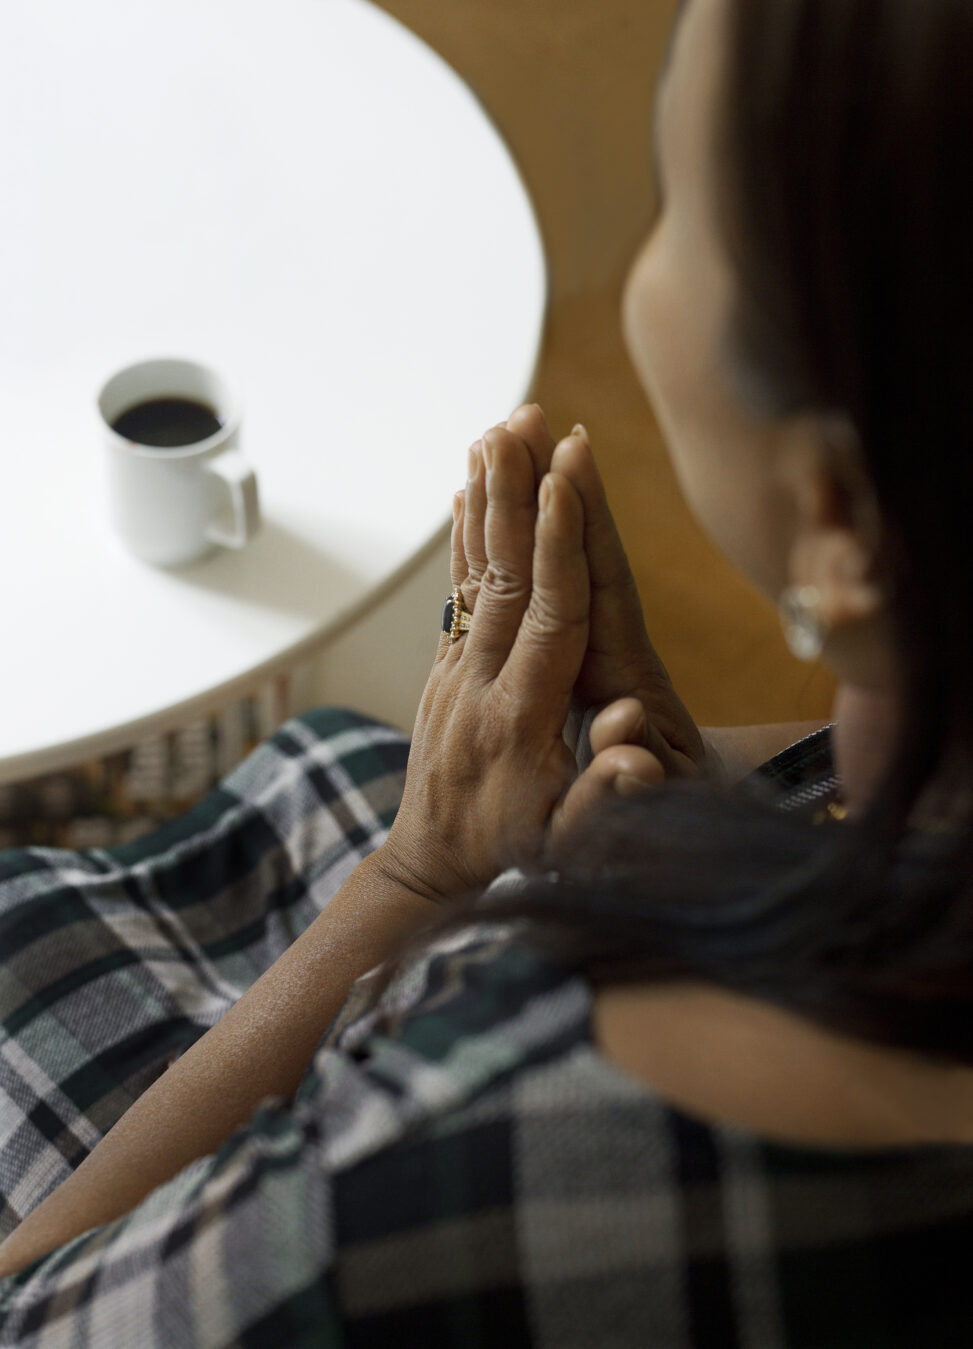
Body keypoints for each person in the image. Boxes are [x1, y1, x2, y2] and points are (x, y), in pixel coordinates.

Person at [1, 0, 972, 1342]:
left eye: (674, 205)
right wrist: (700, 820)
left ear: (835, 514)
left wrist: (417, 877)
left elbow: (35, 1308)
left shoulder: (522, 1115)